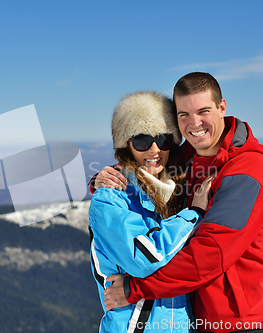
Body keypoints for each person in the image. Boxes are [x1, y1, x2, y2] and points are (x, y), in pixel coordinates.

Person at [101, 72, 263, 333]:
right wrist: (106, 179)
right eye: (183, 114)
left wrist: (133, 290)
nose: (194, 123)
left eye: (203, 111)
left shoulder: (247, 171)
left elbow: (210, 254)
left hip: (238, 321)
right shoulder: (185, 158)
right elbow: (144, 172)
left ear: (222, 108)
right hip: (193, 317)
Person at [89, 91, 214, 333]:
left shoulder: (178, 191)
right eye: (142, 140)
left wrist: (259, 269)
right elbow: (144, 260)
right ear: (126, 145)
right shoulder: (111, 198)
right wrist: (194, 214)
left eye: (164, 139)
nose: (155, 150)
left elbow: (211, 247)